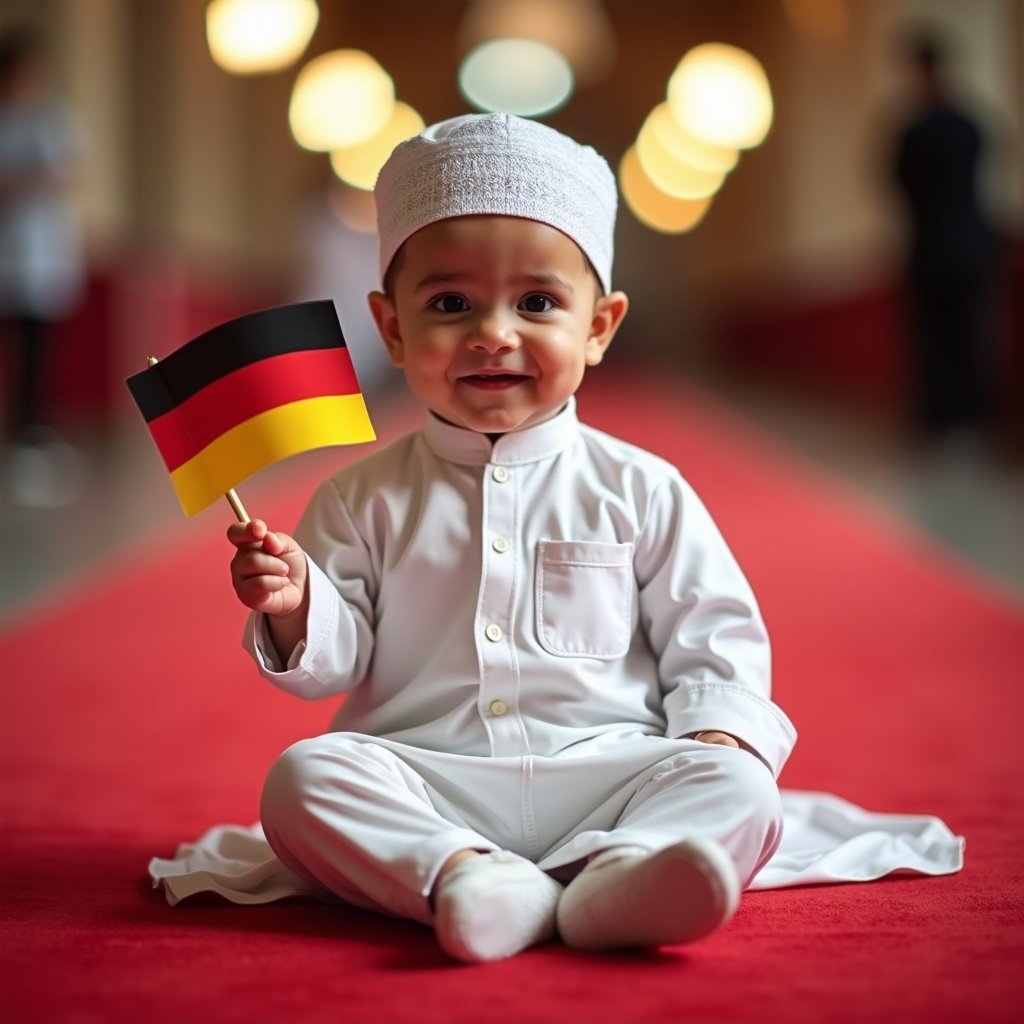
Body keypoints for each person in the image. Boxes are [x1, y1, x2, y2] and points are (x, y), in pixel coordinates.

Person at [219, 113, 795, 963]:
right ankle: (467, 874)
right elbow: (333, 668)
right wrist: (301, 604)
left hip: (613, 772)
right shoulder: (358, 497)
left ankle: (625, 872)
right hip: (427, 775)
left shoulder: (643, 488)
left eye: (537, 303)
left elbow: (715, 634)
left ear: (598, 326)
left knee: (741, 781)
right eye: (450, 303)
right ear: (390, 327)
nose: (495, 332)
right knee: (302, 779)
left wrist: (712, 736)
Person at [891, 29, 996, 439]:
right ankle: (967, 419)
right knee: (965, 334)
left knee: (939, 338)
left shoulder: (914, 132)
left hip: (932, 249)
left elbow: (898, 183)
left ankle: (942, 419)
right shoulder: (971, 124)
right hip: (971, 246)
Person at [0, 25, 87, 505]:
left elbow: (68, 172)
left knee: (37, 354)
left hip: (41, 259)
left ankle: (28, 439)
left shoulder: (52, 119)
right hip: (6, 259)